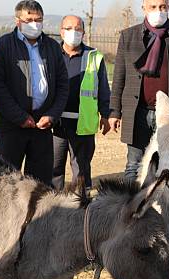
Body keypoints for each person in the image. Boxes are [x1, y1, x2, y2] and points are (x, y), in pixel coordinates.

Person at [108, 0, 169, 181]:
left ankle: (163, 206)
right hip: (138, 113)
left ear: (168, 7)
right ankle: (132, 208)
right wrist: (114, 111)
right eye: (153, 7)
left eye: (163, 7)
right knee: (134, 165)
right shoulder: (129, 37)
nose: (159, 11)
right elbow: (119, 76)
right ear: (144, 8)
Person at [0, 0, 69, 185]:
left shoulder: (52, 47)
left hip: (43, 125)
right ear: (18, 21)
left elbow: (63, 85)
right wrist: (20, 117)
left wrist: (52, 115)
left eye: (38, 19)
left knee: (40, 184)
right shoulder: (1, 47)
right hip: (11, 126)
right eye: (29, 19)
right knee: (8, 182)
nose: (34, 24)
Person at [52, 15, 111, 190]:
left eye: (78, 29)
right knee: (53, 168)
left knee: (81, 170)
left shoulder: (94, 56)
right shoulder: (51, 54)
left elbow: (103, 90)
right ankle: (52, 207)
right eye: (69, 28)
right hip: (54, 122)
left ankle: (81, 208)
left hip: (82, 123)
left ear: (83, 33)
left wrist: (106, 114)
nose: (73, 32)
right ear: (61, 32)